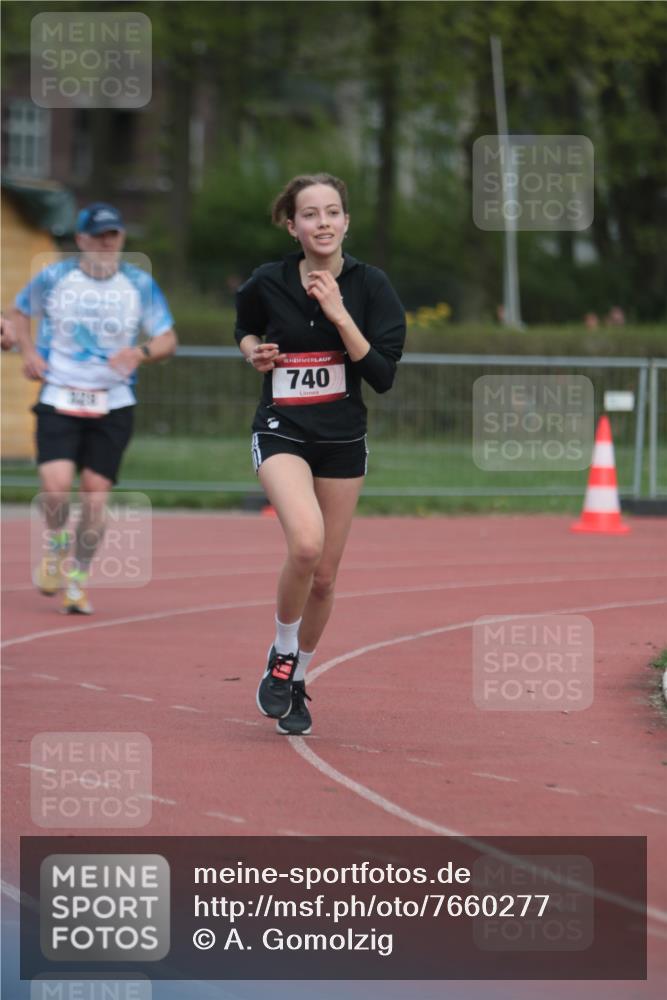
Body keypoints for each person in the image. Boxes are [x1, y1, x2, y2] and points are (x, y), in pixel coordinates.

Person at [235, 173, 406, 735]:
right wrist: (252, 353)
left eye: (333, 212)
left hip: (342, 441)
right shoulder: (267, 280)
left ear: (346, 222)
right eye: (310, 214)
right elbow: (245, 328)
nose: (323, 222)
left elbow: (380, 374)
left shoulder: (370, 286)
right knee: (305, 544)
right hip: (283, 430)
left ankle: (297, 679)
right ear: (293, 226)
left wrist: (338, 312)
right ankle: (281, 655)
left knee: (327, 578)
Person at [7, 202, 177, 614]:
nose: (106, 243)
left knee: (96, 498)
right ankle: (54, 545)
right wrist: (29, 353)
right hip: (60, 394)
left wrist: (138, 352)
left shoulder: (138, 284)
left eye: (113, 235)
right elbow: (18, 313)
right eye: (98, 235)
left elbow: (167, 338)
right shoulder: (56, 278)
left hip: (113, 402)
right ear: (81, 239)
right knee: (55, 486)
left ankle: (77, 579)